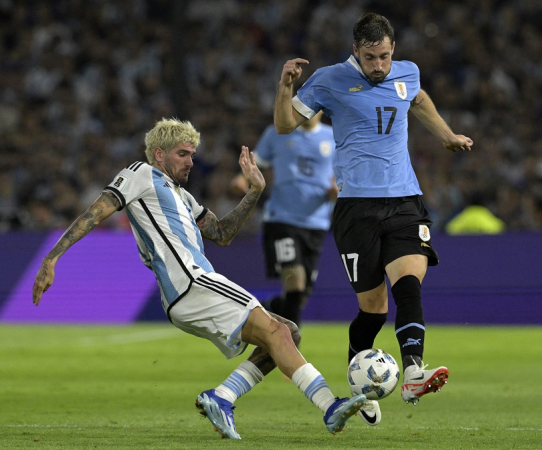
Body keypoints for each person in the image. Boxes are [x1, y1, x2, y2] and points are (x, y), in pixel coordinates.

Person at [31, 118, 366, 439]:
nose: (191, 161)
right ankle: (329, 405)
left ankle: (222, 397)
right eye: (182, 154)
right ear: (160, 154)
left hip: (186, 293)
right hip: (191, 281)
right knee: (278, 331)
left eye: (192, 154)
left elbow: (221, 234)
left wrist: (254, 191)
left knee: (287, 331)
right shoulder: (141, 173)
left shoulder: (184, 197)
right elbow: (98, 209)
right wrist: (51, 257)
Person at [274, 12, 473, 422]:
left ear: (393, 49)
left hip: (405, 200)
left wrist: (447, 135)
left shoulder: (407, 73)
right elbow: (284, 125)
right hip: (356, 210)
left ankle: (414, 370)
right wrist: (285, 86)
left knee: (409, 282)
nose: (378, 66)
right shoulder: (329, 79)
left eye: (383, 56)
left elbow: (417, 99)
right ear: (355, 52)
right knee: (374, 309)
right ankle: (360, 389)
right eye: (370, 58)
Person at [231, 111, 337, 332]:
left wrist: (337, 189)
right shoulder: (277, 132)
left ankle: (266, 308)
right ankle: (290, 347)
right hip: (282, 221)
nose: (308, 112)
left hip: (316, 223)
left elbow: (341, 174)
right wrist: (242, 179)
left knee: (299, 296)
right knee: (295, 280)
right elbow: (257, 161)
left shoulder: (333, 136)